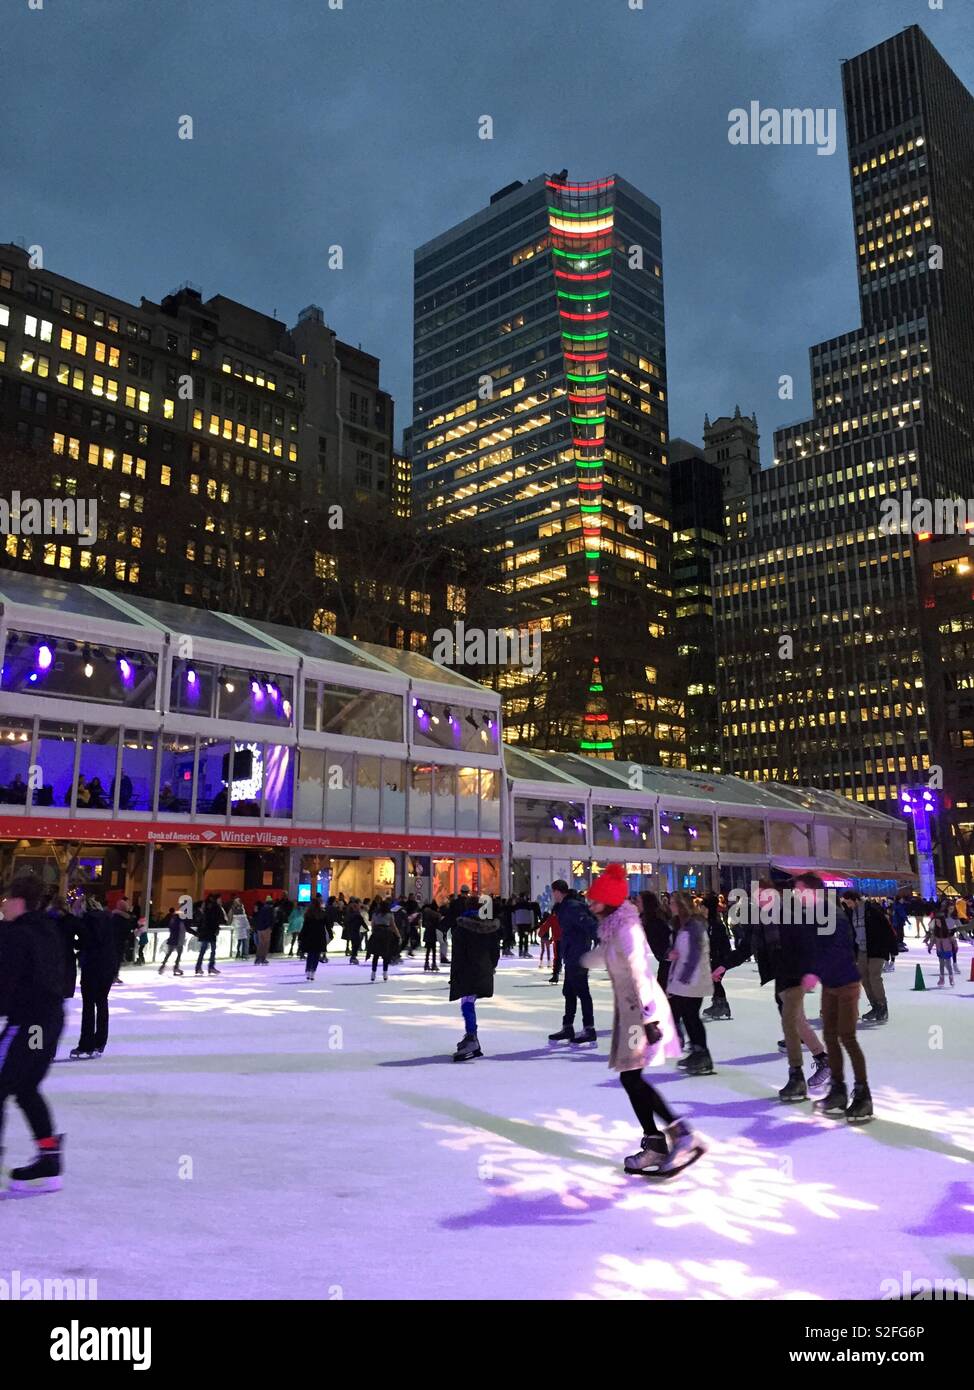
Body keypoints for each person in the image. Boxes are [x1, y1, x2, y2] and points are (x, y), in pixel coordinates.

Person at [582, 862, 704, 1178]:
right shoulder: (613, 929)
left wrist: (649, 1018)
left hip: (641, 1012)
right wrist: (581, 958)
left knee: (631, 1077)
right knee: (630, 1077)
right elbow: (604, 957)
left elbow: (638, 971)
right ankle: (662, 1140)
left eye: (594, 899)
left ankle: (675, 1137)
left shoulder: (626, 930)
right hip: (631, 1012)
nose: (589, 902)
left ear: (608, 901)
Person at [715, 875, 829, 1102]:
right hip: (780, 976)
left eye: (763, 894)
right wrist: (723, 966)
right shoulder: (760, 919)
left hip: (795, 974)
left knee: (790, 1022)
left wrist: (812, 971)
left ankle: (796, 1076)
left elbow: (809, 942)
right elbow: (747, 947)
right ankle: (824, 1060)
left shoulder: (790, 913)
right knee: (797, 1021)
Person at [0, 874, 70, 1196]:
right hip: (47, 1025)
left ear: (18, 901)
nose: (2, 905)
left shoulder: (18, 935)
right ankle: (48, 1157)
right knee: (26, 1086)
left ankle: (47, 1156)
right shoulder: (47, 930)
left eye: (5, 899)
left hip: (30, 1024)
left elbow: (6, 984)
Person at [806, 888, 873, 1121]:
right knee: (830, 1037)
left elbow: (835, 949)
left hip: (846, 983)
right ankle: (838, 1089)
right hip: (830, 984)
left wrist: (814, 971)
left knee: (847, 1037)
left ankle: (863, 1095)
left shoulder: (835, 918)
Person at [667, 891, 715, 1075]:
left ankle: (701, 1053)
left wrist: (685, 975)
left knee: (690, 1016)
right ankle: (698, 1052)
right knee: (689, 1016)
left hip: (692, 979)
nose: (670, 906)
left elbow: (696, 954)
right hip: (684, 977)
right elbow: (678, 950)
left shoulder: (695, 925)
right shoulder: (681, 925)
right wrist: (671, 955)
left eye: (672, 903)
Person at [547, 880, 599, 1045]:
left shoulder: (572, 907)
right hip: (571, 954)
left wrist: (598, 939)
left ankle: (589, 1028)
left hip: (578, 955)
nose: (552, 895)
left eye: (553, 892)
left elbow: (590, 925)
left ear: (557, 892)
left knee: (582, 991)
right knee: (568, 991)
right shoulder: (566, 907)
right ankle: (567, 1026)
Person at [450, 898, 501, 1061]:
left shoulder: (461, 929)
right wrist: (491, 966)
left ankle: (472, 1037)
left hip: (467, 971)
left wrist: (455, 975)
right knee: (469, 1003)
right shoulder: (490, 928)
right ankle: (471, 1035)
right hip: (484, 970)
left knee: (467, 1003)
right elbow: (495, 952)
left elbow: (458, 955)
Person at [840, 889, 897, 1023]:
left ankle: (882, 1007)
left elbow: (886, 929)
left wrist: (892, 949)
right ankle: (875, 1006)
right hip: (861, 950)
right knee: (865, 979)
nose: (848, 905)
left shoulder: (872, 910)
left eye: (849, 902)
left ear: (856, 900)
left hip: (876, 949)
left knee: (874, 977)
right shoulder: (850, 912)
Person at [70, 892, 116, 1058]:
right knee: (102, 1002)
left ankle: (86, 1044)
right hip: (108, 966)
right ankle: (100, 1042)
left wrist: (73, 944)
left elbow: (88, 942)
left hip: (92, 967)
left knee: (88, 1005)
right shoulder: (108, 919)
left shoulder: (86, 921)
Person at [701, 891, 733, 1022]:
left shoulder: (715, 925)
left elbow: (721, 944)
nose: (700, 909)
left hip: (718, 959)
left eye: (702, 907)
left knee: (715, 981)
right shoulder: (708, 923)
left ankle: (722, 1005)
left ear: (708, 909)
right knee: (713, 982)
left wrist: (721, 961)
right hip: (712, 958)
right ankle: (718, 1004)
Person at [367, 901, 400, 983]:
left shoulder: (375, 914)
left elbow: (373, 925)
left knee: (376, 954)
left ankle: (373, 973)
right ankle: (385, 973)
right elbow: (393, 926)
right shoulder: (390, 915)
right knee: (386, 954)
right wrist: (398, 935)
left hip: (377, 933)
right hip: (386, 934)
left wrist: (374, 932)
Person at [299, 896, 329, 981]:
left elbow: (305, 927)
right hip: (320, 936)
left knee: (310, 954)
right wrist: (330, 934)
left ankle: (308, 970)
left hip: (310, 936)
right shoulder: (323, 914)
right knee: (316, 955)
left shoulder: (308, 915)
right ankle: (313, 972)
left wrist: (301, 936)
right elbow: (327, 925)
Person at [196, 893, 226, 974]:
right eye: (219, 899)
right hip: (209, 932)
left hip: (207, 932)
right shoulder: (215, 908)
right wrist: (217, 928)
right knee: (210, 950)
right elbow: (219, 919)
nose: (221, 901)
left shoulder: (207, 907)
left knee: (205, 950)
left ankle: (200, 967)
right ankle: (209, 967)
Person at [926, 911, 956, 987]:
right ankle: (941, 979)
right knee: (941, 964)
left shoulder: (947, 931)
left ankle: (951, 977)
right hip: (940, 950)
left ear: (942, 922)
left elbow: (953, 939)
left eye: (939, 922)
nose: (937, 923)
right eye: (936, 922)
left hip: (947, 949)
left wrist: (955, 947)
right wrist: (930, 947)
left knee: (948, 964)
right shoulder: (935, 932)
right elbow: (932, 940)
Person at [110, 897, 135, 982]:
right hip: (119, 941)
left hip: (115, 941)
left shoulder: (114, 917)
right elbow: (125, 930)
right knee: (116, 959)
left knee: (115, 959)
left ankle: (114, 975)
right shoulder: (122, 918)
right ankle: (114, 975)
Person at [158, 908, 187, 975]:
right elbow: (182, 931)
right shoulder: (180, 922)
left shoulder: (173, 921)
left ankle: (162, 966)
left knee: (169, 954)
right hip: (178, 941)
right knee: (178, 954)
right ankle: (176, 967)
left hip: (172, 940)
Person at [512, 893, 539, 958]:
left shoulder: (516, 906)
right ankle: (525, 951)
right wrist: (532, 924)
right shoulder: (528, 905)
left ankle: (521, 951)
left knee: (521, 938)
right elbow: (531, 914)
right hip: (527, 924)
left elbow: (513, 916)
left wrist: (514, 925)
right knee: (526, 937)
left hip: (519, 923)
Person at [343, 898, 367, 964]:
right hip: (355, 930)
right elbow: (362, 922)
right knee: (356, 943)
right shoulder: (357, 915)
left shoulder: (350, 915)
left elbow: (346, 922)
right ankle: (353, 956)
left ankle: (353, 956)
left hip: (351, 930)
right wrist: (366, 928)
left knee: (354, 943)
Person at [253, 896, 274, 966]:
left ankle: (257, 958)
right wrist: (270, 927)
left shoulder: (262, 908)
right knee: (266, 944)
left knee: (260, 944)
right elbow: (270, 919)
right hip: (266, 928)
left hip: (259, 928)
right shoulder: (270, 909)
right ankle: (263, 958)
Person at [422, 900, 441, 972]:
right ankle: (434, 964)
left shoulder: (426, 913)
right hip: (433, 932)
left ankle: (426, 963)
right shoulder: (437, 915)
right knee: (433, 949)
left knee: (428, 949)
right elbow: (439, 924)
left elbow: (423, 924)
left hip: (427, 931)